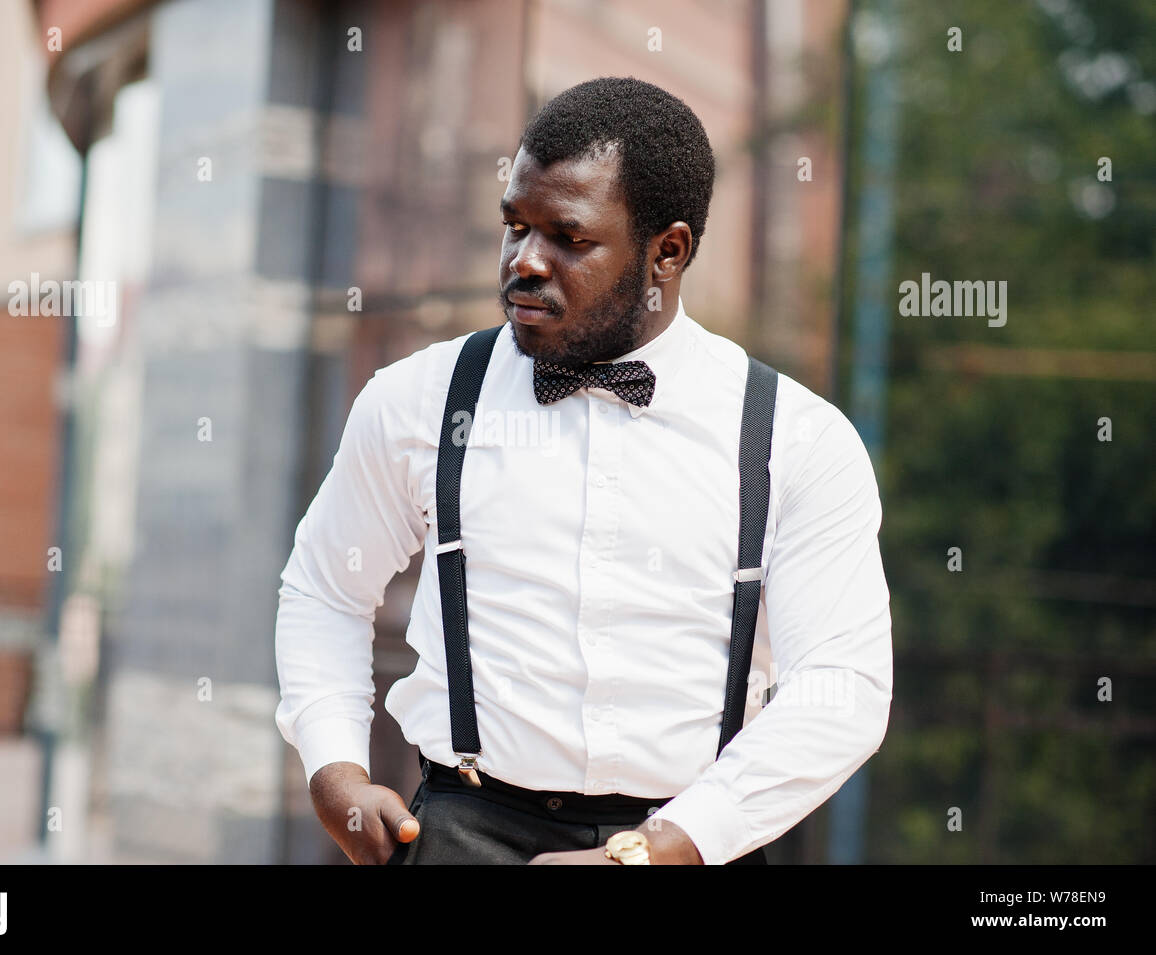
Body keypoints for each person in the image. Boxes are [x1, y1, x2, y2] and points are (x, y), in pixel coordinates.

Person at [274, 76, 893, 865]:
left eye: (568, 237)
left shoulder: (796, 440)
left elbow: (842, 688)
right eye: (514, 226)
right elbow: (323, 588)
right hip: (462, 832)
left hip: (694, 840)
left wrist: (659, 848)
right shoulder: (418, 401)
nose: (525, 262)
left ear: (667, 251)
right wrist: (334, 771)